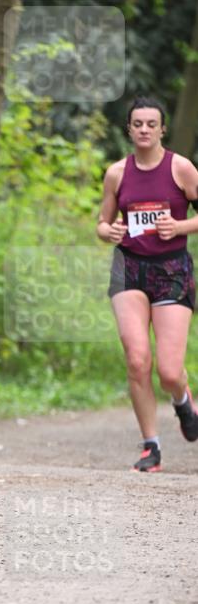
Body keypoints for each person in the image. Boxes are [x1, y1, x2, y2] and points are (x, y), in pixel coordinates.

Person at [98, 95, 198, 472]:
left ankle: (183, 399)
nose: (143, 130)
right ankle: (151, 445)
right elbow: (102, 223)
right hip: (129, 268)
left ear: (162, 129)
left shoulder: (181, 169)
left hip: (171, 269)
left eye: (150, 124)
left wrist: (181, 225)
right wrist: (109, 232)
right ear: (129, 128)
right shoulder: (117, 173)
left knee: (169, 370)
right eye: (137, 124)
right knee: (138, 359)